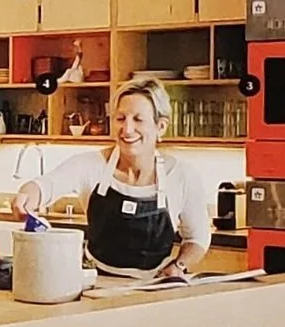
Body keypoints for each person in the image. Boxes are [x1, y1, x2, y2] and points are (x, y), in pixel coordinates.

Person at [12, 78, 210, 280]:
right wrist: (27, 195)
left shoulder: (182, 175)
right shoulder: (90, 165)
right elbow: (47, 184)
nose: (127, 129)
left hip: (153, 288)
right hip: (94, 284)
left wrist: (179, 265)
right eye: (121, 118)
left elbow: (198, 239)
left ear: (161, 127)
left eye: (138, 119)